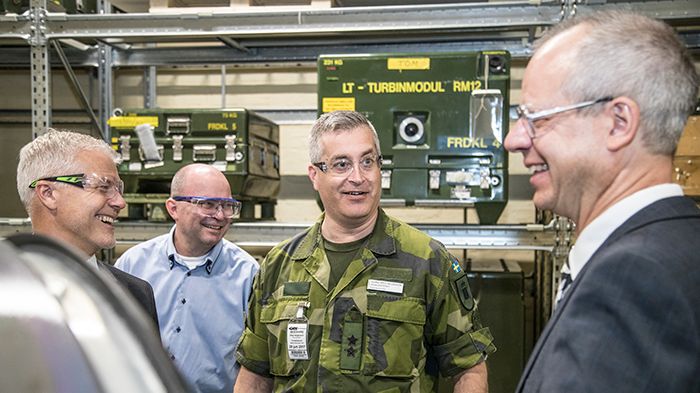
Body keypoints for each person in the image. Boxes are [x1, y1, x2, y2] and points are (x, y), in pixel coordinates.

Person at [505, 11, 700, 393]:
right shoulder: (680, 244)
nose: (514, 140)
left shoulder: (635, 278)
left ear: (618, 123)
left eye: (535, 118)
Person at [234, 111, 495, 393]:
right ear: (315, 175)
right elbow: (255, 372)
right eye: (342, 164)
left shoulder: (426, 260)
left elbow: (469, 368)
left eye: (367, 162)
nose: (357, 177)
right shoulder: (279, 264)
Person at [115, 163, 259, 393]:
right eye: (208, 204)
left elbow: (257, 363)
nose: (220, 216)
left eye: (228, 206)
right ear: (173, 208)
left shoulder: (247, 275)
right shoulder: (133, 265)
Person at [16, 129, 159, 330]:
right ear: (48, 193)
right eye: (103, 186)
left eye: (118, 189)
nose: (120, 202)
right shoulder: (7, 289)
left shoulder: (136, 295)